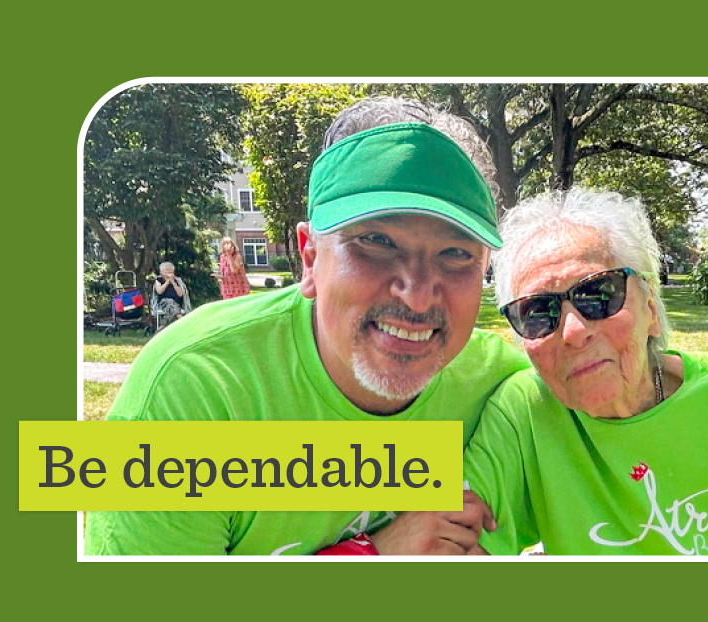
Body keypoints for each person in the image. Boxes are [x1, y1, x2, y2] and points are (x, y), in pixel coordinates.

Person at [84, 97, 529, 556]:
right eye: (376, 242)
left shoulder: (503, 387)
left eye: (456, 254)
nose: (416, 294)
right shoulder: (192, 392)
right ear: (310, 257)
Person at [452, 188, 708, 556]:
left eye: (598, 295)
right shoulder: (523, 412)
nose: (575, 331)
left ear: (650, 309)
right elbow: (427, 507)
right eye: (538, 312)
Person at [152, 262, 192, 331]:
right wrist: (167, 282)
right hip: (163, 303)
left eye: (170, 270)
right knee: (169, 301)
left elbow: (180, 294)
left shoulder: (177, 281)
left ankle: (163, 326)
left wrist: (173, 282)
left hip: (177, 303)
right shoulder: (159, 280)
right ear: (161, 272)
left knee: (172, 304)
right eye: (166, 270)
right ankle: (179, 317)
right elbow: (159, 291)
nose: (168, 272)